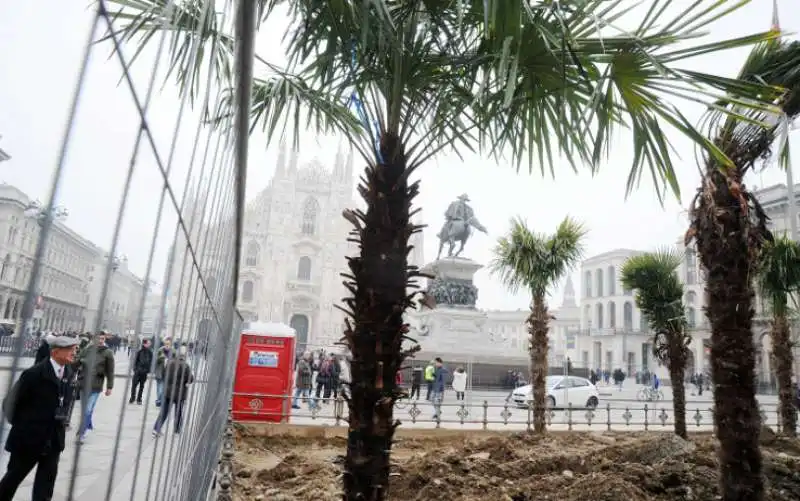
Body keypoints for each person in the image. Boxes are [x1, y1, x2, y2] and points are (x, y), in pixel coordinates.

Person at [0, 334, 78, 501]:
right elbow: (9, 404)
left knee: (45, 487)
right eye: (70, 349)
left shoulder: (69, 373)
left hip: (54, 440)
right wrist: (24, 427)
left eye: (75, 349)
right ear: (55, 352)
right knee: (11, 480)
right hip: (29, 440)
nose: (74, 353)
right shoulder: (34, 374)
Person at [75, 332, 115, 444]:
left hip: (96, 385)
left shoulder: (108, 352)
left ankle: (81, 434)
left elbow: (110, 371)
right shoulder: (88, 349)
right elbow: (77, 361)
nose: (100, 341)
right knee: (85, 410)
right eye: (98, 338)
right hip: (84, 383)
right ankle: (88, 423)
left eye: (102, 338)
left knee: (87, 409)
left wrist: (109, 387)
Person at [152, 348, 193, 436]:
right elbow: (190, 379)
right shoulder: (185, 365)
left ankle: (156, 429)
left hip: (168, 392)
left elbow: (163, 374)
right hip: (179, 393)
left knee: (164, 412)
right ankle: (177, 431)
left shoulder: (169, 363)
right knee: (178, 412)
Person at [129, 339, 153, 405]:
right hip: (137, 372)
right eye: (148, 343)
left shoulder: (150, 352)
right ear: (144, 344)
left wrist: (148, 370)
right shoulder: (139, 351)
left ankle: (139, 399)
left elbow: (151, 362)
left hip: (144, 372)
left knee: (142, 386)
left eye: (149, 343)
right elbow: (134, 361)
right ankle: (132, 398)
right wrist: (135, 369)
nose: (149, 344)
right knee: (134, 385)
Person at [154, 337, 174, 407]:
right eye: (165, 344)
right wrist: (160, 358)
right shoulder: (160, 350)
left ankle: (160, 401)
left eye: (168, 344)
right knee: (160, 388)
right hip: (159, 372)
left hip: (168, 374)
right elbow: (155, 361)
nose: (167, 345)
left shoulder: (173, 352)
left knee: (163, 389)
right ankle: (159, 400)